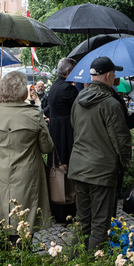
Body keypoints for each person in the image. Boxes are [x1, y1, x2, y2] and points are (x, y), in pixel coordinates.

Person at [69, 56, 132, 252]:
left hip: (79, 167)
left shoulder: (78, 100)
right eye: (114, 74)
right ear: (108, 75)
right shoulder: (111, 104)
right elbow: (121, 140)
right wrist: (125, 165)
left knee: (82, 220)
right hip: (101, 171)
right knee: (100, 224)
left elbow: (75, 128)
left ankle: (74, 265)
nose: (115, 77)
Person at [0, 71, 53, 237]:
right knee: (25, 216)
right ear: (23, 91)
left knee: (0, 212)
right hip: (27, 172)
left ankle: (3, 252)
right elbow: (47, 147)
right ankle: (23, 255)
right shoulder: (33, 114)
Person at [45, 57, 79, 224]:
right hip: (66, 132)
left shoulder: (55, 87)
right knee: (66, 170)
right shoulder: (68, 89)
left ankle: (58, 209)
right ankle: (67, 209)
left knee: (56, 168)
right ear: (68, 72)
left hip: (55, 131)